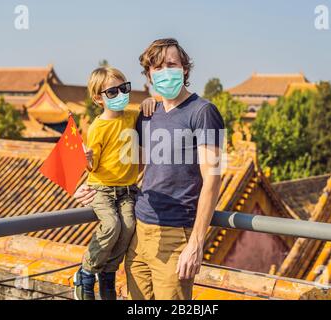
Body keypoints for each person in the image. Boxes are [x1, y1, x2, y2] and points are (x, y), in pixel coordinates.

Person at [75, 38, 224, 300]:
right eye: (157, 67)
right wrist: (95, 185)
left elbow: (212, 180)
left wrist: (196, 243)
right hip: (139, 230)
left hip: (175, 233)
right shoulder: (147, 114)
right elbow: (130, 163)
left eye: (171, 64)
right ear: (149, 75)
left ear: (185, 69)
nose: (165, 71)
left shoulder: (203, 112)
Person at [73, 67, 155, 300]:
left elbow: (148, 114)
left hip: (128, 189)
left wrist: (149, 100)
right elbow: (94, 165)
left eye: (124, 88)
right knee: (111, 226)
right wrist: (87, 160)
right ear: (98, 98)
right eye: (112, 91)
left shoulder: (131, 117)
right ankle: (86, 272)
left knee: (128, 227)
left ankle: (108, 274)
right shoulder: (98, 127)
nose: (120, 94)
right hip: (103, 188)